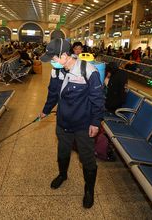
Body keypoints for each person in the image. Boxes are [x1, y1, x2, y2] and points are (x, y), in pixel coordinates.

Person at [39, 38, 105, 209]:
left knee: (87, 159)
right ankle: (62, 175)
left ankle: (89, 191)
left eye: (54, 58)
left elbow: (98, 99)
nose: (52, 63)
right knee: (62, 150)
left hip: (83, 124)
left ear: (64, 55)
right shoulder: (56, 72)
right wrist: (46, 110)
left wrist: (95, 122)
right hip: (63, 121)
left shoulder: (88, 70)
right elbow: (53, 93)